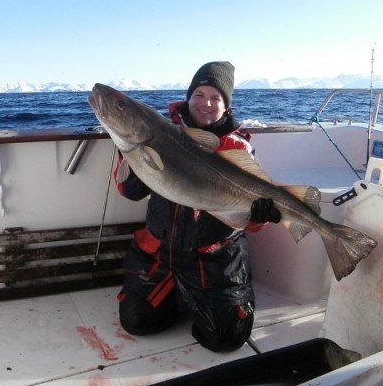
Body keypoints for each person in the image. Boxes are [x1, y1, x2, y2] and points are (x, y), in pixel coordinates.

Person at [114, 61, 281, 352]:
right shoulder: (158, 133)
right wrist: (131, 149)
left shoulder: (238, 148)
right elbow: (129, 192)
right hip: (161, 253)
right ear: (188, 97)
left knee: (227, 337)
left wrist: (261, 216)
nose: (206, 103)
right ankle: (181, 295)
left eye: (215, 98)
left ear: (226, 106)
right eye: (199, 95)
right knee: (136, 322)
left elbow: (250, 223)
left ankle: (196, 297)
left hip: (214, 260)